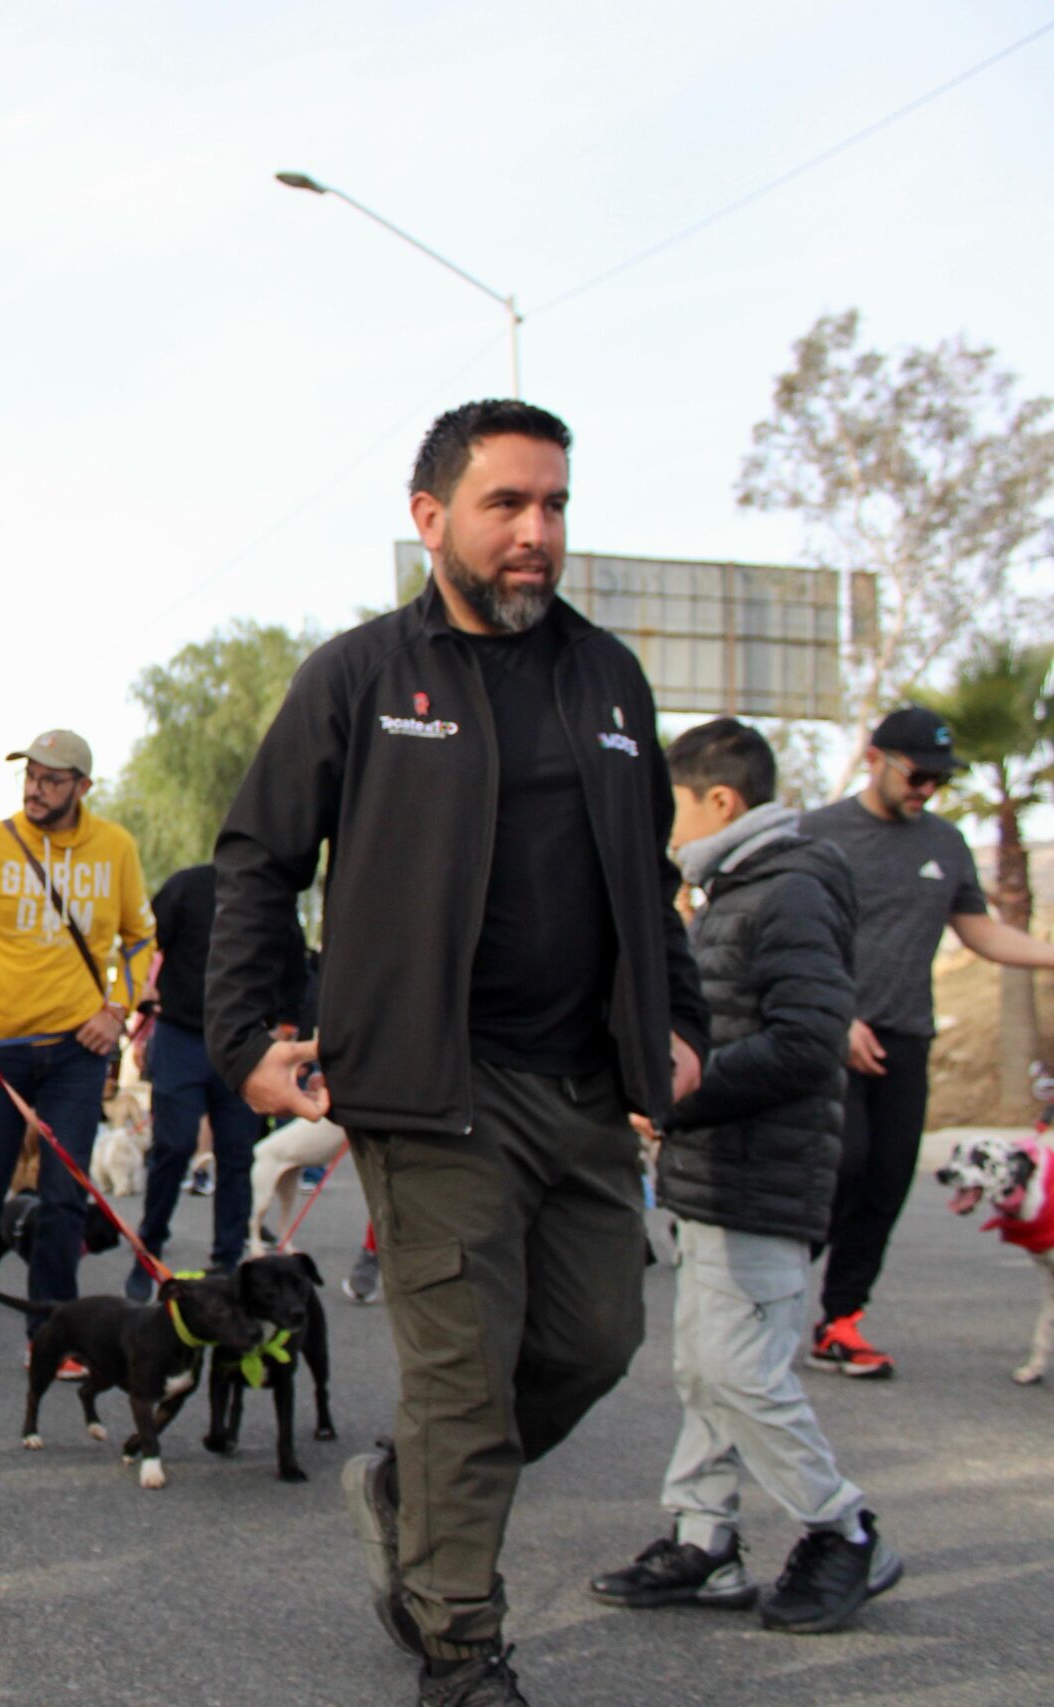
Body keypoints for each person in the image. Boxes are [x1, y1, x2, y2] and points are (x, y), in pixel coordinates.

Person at [207, 401, 707, 1707]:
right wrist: (249, 1034)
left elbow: (648, 880)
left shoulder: (608, 678)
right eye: (508, 505)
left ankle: (413, 1486)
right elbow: (260, 857)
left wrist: (684, 1020)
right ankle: (460, 1644)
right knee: (462, 1377)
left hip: (585, 1082)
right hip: (431, 1084)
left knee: (595, 1338)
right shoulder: (364, 675)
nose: (537, 532)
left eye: (554, 506)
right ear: (432, 519)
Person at [589, 717, 903, 1633]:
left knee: (743, 1370)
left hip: (766, 1174)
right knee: (705, 1368)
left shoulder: (791, 888)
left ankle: (844, 1530)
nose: (668, 829)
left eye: (674, 808)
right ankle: (704, 1541)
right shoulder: (738, 887)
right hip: (718, 1172)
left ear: (720, 800)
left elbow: (807, 1044)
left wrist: (680, 1093)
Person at [801, 705, 1054, 1379]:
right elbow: (786, 936)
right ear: (879, 758)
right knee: (840, 1168)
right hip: (824, 1030)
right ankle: (759, 1305)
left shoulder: (945, 843)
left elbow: (979, 930)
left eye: (940, 781)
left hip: (906, 1034)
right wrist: (836, 1014)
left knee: (886, 1180)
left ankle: (840, 1321)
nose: (927, 791)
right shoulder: (819, 834)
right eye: (918, 775)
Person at [0, 729, 155, 1365]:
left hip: (77, 1046)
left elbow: (139, 939)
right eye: (31, 776)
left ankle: (55, 1330)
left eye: (51, 779)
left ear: (82, 787)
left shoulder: (116, 848)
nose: (36, 789)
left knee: (64, 1192)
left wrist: (116, 1009)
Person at [129, 861, 302, 1297]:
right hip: (181, 1033)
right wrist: (141, 990)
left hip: (245, 1042)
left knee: (236, 1154)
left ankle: (227, 1261)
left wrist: (287, 1020)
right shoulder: (187, 885)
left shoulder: (274, 896)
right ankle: (149, 1248)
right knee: (172, 1145)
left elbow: (294, 962)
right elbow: (144, 938)